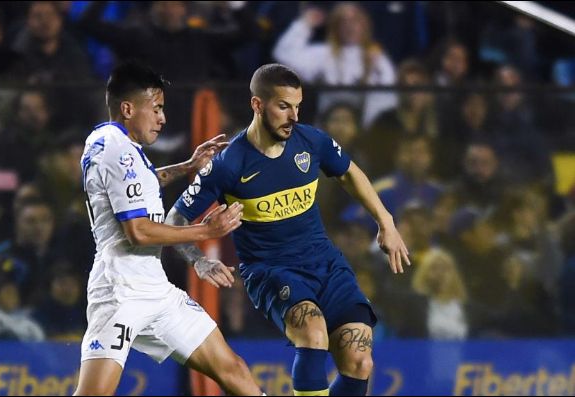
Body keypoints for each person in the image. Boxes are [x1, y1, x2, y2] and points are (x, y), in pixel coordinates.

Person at [167, 63, 410, 396]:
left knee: (360, 362)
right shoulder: (228, 165)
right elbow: (174, 220)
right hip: (271, 270)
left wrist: (386, 222)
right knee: (313, 333)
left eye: (298, 106)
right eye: (283, 106)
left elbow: (349, 172)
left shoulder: (311, 141)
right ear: (257, 105)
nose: (293, 116)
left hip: (325, 263)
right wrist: (200, 260)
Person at [73, 61, 263, 396]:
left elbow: (138, 186)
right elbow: (140, 232)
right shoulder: (118, 149)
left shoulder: (111, 143)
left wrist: (187, 166)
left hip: (156, 290)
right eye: (157, 108)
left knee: (231, 368)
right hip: (120, 292)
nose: (162, 118)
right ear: (128, 108)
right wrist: (206, 232)